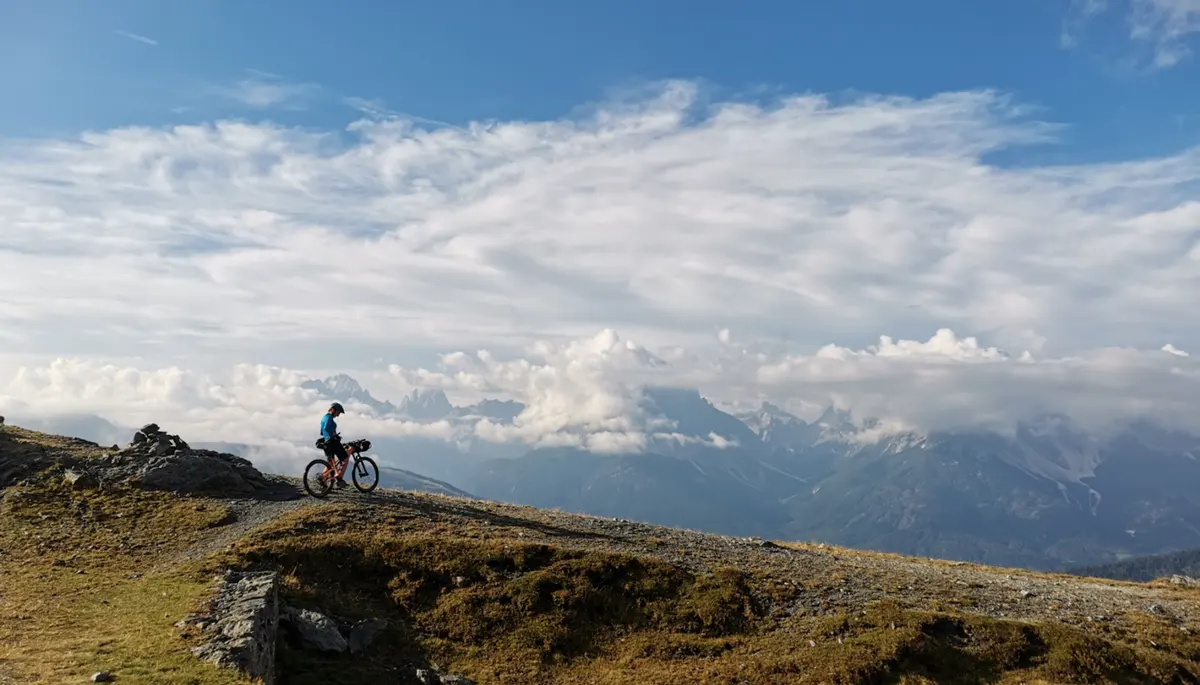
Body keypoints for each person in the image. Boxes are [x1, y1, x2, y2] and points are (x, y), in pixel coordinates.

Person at [320, 402, 349, 488]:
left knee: (330, 463)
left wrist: (333, 434)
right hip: (332, 442)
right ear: (333, 410)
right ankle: (339, 477)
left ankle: (323, 479)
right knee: (345, 458)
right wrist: (333, 435)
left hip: (326, 442)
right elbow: (326, 428)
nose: (338, 415)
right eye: (338, 412)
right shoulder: (329, 418)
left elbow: (322, 431)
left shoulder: (324, 417)